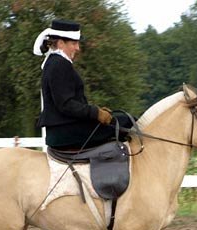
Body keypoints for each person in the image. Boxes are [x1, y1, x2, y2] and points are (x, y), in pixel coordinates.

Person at [33, 19, 132, 150]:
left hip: (64, 129)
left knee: (121, 120)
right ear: (61, 43)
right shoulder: (59, 64)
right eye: (74, 43)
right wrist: (95, 113)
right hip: (66, 132)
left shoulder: (55, 62)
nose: (78, 48)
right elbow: (66, 105)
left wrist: (96, 111)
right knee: (129, 122)